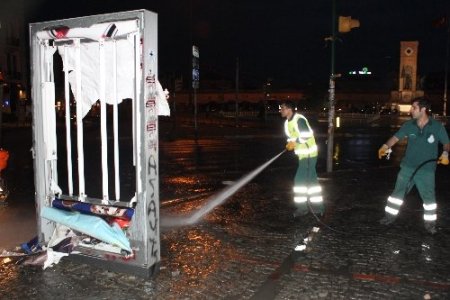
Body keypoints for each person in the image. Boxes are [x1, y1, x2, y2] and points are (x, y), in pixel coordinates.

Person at [378, 97, 450, 234]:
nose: (411, 110)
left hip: (427, 170)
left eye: (414, 107)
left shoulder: (437, 126)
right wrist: (385, 146)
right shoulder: (408, 125)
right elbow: (395, 137)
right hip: (407, 168)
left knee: (429, 199)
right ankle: (388, 218)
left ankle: (430, 224)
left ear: (423, 109)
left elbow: (446, 143)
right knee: (396, 195)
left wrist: (445, 153)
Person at [279, 100, 324, 217]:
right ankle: (318, 208)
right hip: (303, 155)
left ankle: (303, 208)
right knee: (311, 181)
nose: (280, 110)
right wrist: (290, 143)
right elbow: (292, 137)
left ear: (289, 109)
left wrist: (296, 142)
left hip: (309, 154)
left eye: (282, 108)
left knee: (299, 181)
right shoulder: (287, 123)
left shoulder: (299, 119)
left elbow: (307, 135)